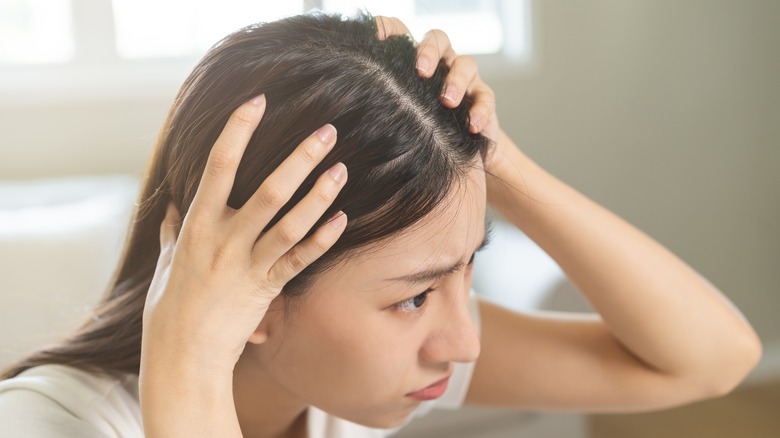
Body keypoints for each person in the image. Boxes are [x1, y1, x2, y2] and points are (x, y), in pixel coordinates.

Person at [0, 12, 761, 438]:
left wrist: (499, 163)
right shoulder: (47, 426)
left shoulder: (327, 380)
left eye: (465, 270)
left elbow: (709, 362)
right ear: (255, 300)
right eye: (413, 298)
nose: (462, 343)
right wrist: (189, 364)